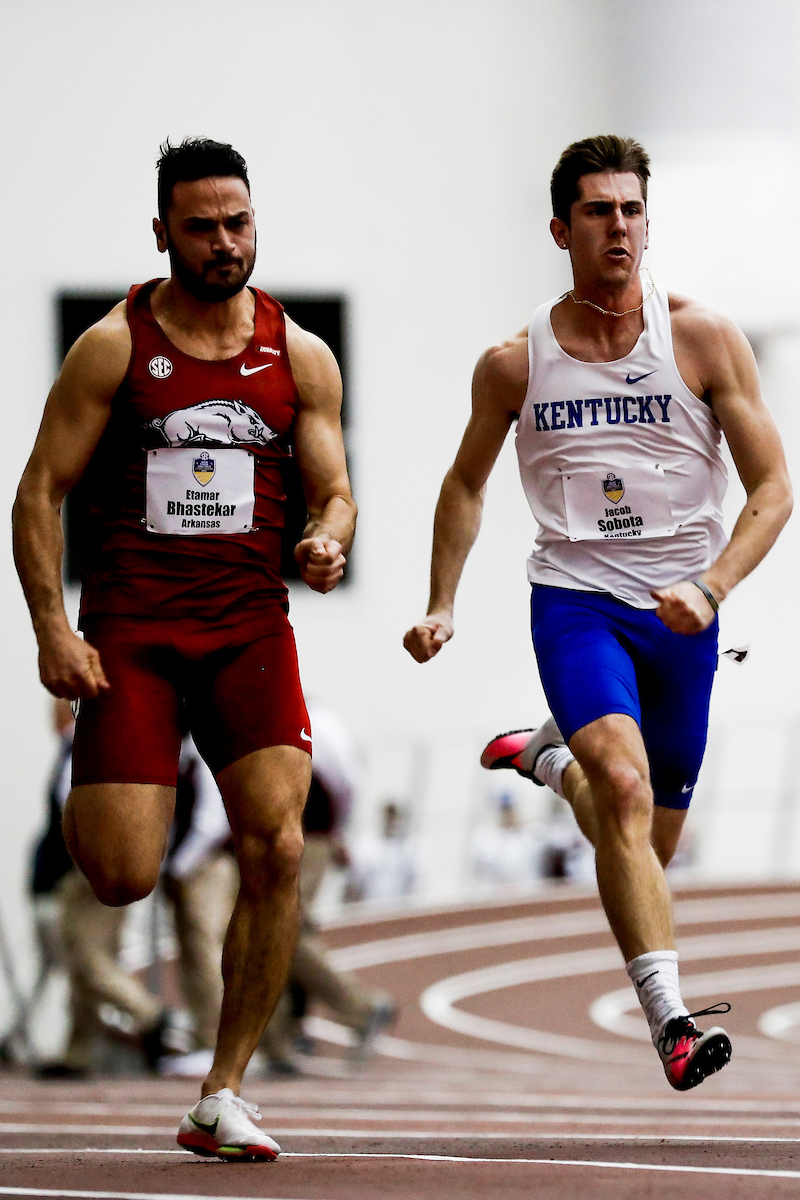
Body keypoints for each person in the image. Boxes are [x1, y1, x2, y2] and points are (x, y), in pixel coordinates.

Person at [404, 135, 791, 1091]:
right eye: (596, 211)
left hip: (683, 618)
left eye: (630, 210)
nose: (617, 226)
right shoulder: (514, 364)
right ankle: (673, 1023)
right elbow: (463, 484)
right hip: (578, 602)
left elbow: (775, 486)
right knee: (620, 792)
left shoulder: (702, 338)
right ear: (560, 228)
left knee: (645, 849)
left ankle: (545, 755)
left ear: (647, 223)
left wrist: (713, 587)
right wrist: (441, 603)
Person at [13, 137, 355, 1159]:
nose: (223, 242)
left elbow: (333, 484)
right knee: (120, 874)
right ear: (161, 232)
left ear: (256, 223)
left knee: (280, 845)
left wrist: (331, 535)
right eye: (200, 226)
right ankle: (119, 829)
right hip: (136, 634)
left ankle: (223, 1086)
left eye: (237, 222)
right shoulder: (114, 346)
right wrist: (51, 631)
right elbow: (38, 492)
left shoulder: (299, 354)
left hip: (249, 628)